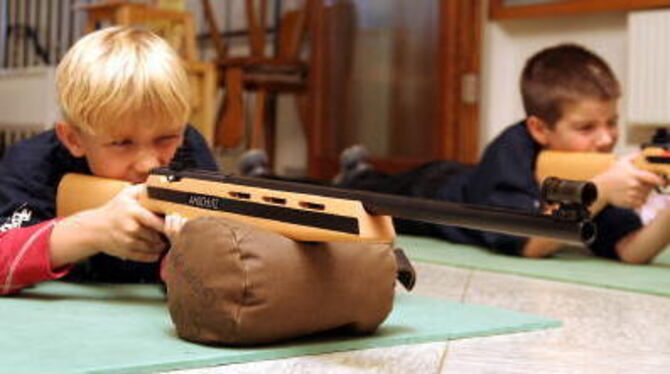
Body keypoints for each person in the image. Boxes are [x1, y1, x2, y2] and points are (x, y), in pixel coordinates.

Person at [242, 44, 669, 264]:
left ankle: (358, 169)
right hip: (435, 189)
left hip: (463, 179)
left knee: (364, 186)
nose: (606, 138)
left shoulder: (598, 168)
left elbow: (630, 251)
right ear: (539, 127)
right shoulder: (513, 148)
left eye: (612, 123)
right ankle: (266, 178)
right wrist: (600, 190)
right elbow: (525, 244)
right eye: (587, 128)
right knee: (357, 197)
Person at [0, 26, 218, 295]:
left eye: (166, 138)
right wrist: (93, 230)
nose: (148, 163)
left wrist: (187, 255)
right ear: (74, 139)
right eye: (122, 143)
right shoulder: (33, 163)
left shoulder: (188, 149)